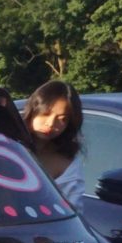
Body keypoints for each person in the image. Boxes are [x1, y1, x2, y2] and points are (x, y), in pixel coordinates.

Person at [23, 80, 85, 212]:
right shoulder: (7, 146)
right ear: (33, 111)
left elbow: (74, 213)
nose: (51, 124)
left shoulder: (69, 162)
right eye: (45, 114)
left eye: (62, 119)